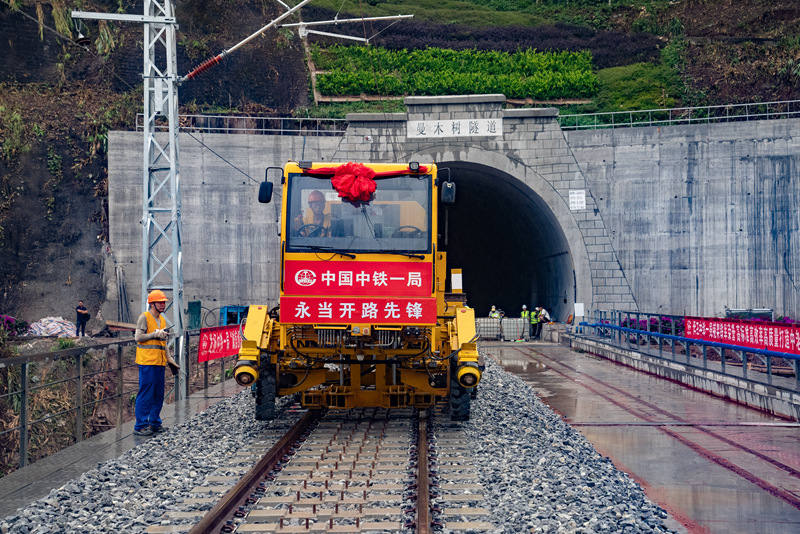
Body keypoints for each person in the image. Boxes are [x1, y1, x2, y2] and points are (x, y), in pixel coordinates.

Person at [133, 290, 172, 437]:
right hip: (147, 362)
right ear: (152, 303)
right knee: (146, 393)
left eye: (163, 302)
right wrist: (155, 334)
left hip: (159, 362)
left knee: (158, 394)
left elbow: (160, 341)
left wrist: (169, 358)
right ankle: (141, 425)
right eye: (160, 302)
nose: (163, 305)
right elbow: (138, 337)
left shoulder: (161, 320)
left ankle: (154, 422)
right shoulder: (144, 317)